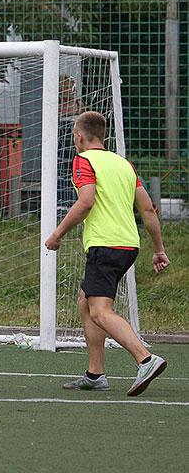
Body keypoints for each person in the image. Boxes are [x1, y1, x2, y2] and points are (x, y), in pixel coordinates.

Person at [45, 111, 170, 396]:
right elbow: (148, 209)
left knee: (100, 311)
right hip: (129, 245)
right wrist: (158, 249)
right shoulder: (124, 164)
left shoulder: (83, 160)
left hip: (106, 245)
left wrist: (57, 234)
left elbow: (86, 202)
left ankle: (146, 359)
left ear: (79, 137)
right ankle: (95, 374)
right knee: (85, 301)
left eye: (74, 136)